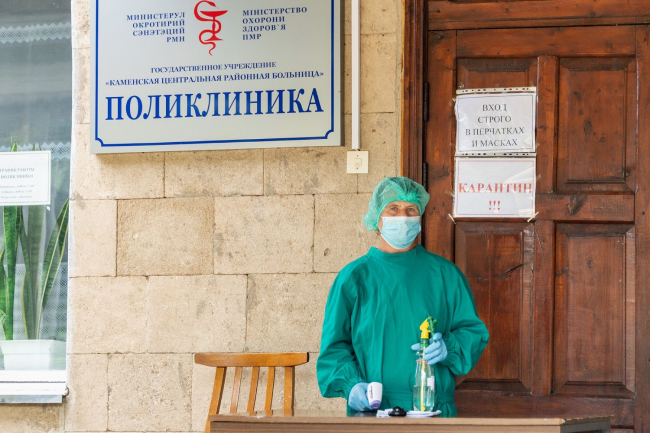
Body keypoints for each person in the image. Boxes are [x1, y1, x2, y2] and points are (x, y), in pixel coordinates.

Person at [316, 177, 489, 417]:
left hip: (433, 410)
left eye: (411, 210)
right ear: (377, 220)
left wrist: (449, 348)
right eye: (393, 208)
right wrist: (351, 385)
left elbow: (472, 332)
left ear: (419, 219)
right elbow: (334, 347)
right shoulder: (354, 278)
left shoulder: (445, 275)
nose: (402, 216)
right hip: (372, 410)